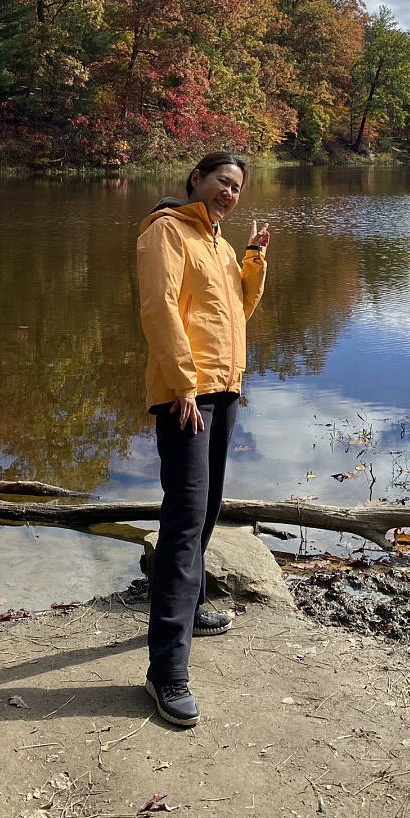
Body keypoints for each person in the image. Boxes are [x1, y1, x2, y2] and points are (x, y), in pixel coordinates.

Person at [136, 151, 269, 727]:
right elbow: (159, 308)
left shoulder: (216, 242)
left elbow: (238, 311)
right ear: (196, 179)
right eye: (222, 181)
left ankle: (187, 607)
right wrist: (184, 385)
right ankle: (166, 672)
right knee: (185, 519)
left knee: (207, 506)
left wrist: (254, 258)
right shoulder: (168, 231)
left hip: (223, 390)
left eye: (237, 187)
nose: (229, 193)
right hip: (185, 394)